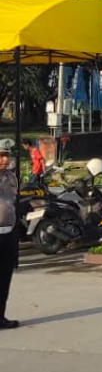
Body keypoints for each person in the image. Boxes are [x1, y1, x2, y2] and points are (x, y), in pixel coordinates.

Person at [0, 141, 19, 329]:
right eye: (1, 155)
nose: (5, 159)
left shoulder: (10, 177)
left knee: (4, 278)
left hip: (8, 233)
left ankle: (0, 316)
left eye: (7, 155)